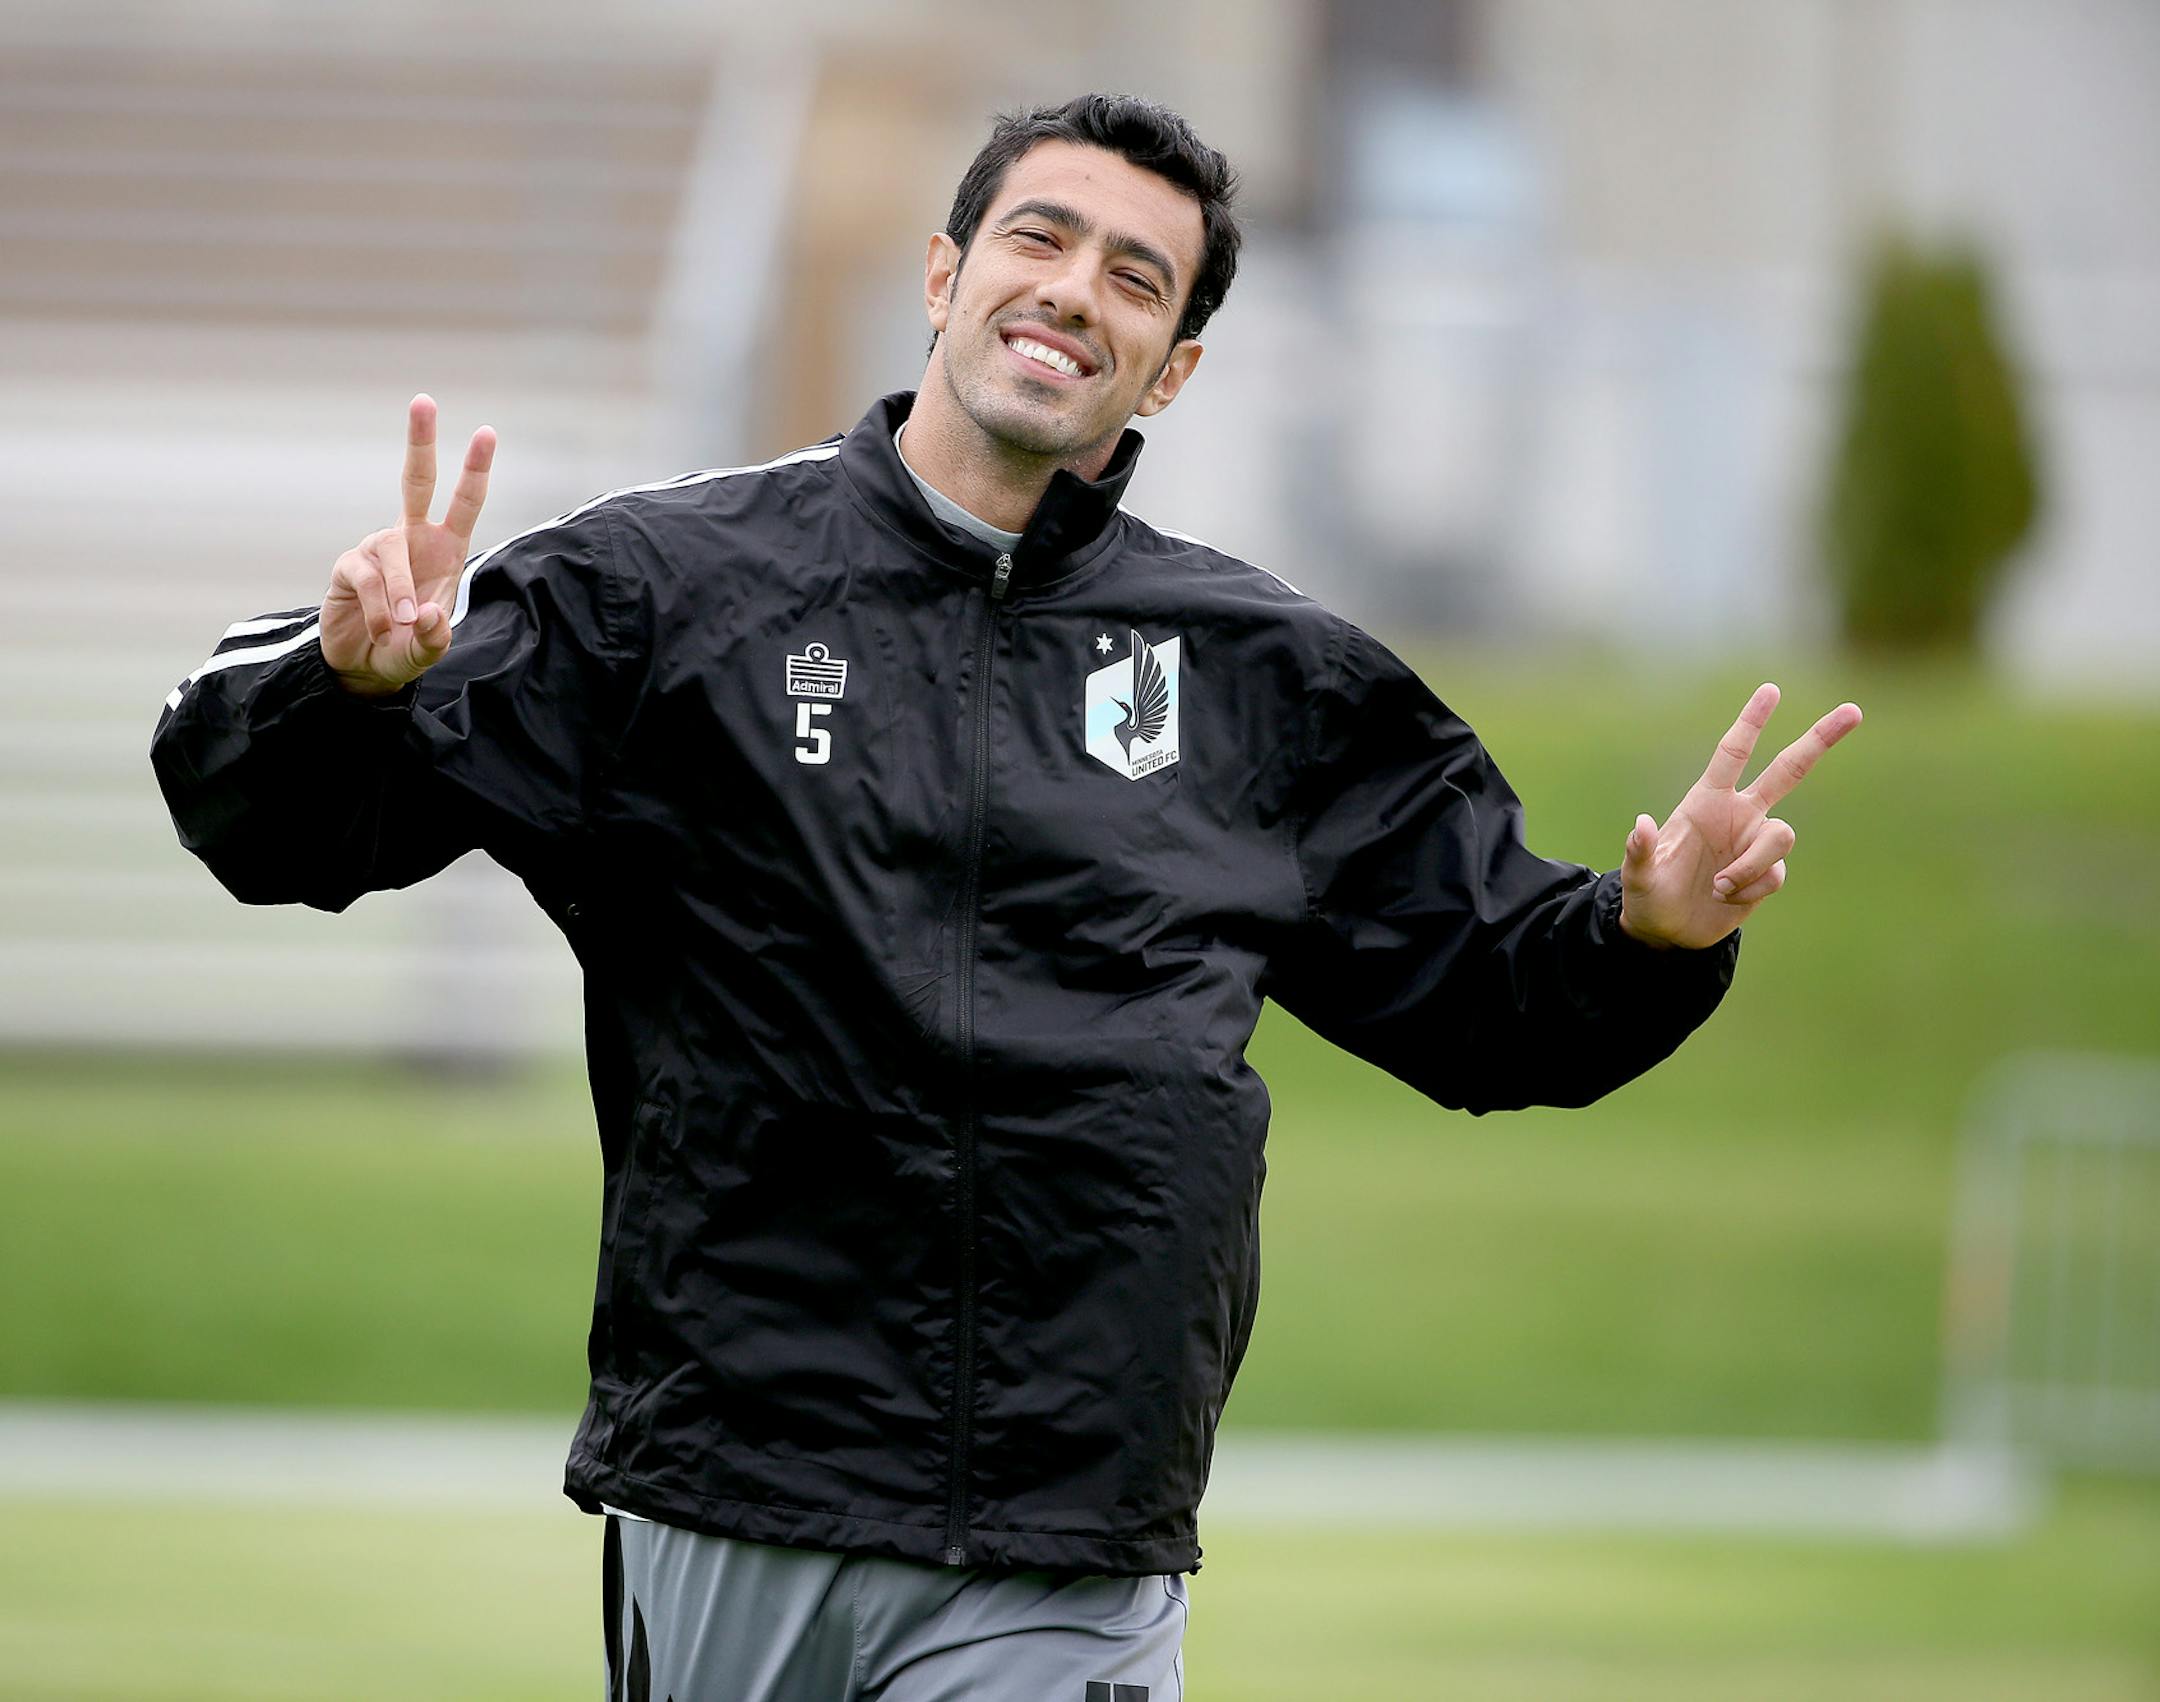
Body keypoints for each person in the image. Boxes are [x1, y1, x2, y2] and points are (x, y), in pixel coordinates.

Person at [152, 93, 1860, 1701]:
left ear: (1171, 370)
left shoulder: (1267, 674)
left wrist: (1650, 934)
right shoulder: (668, 590)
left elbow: (1491, 994)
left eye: (1136, 276)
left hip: (1064, 1534)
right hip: (735, 1483)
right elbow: (280, 828)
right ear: (945, 273)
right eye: (1040, 238)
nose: (1073, 292)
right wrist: (345, 683)